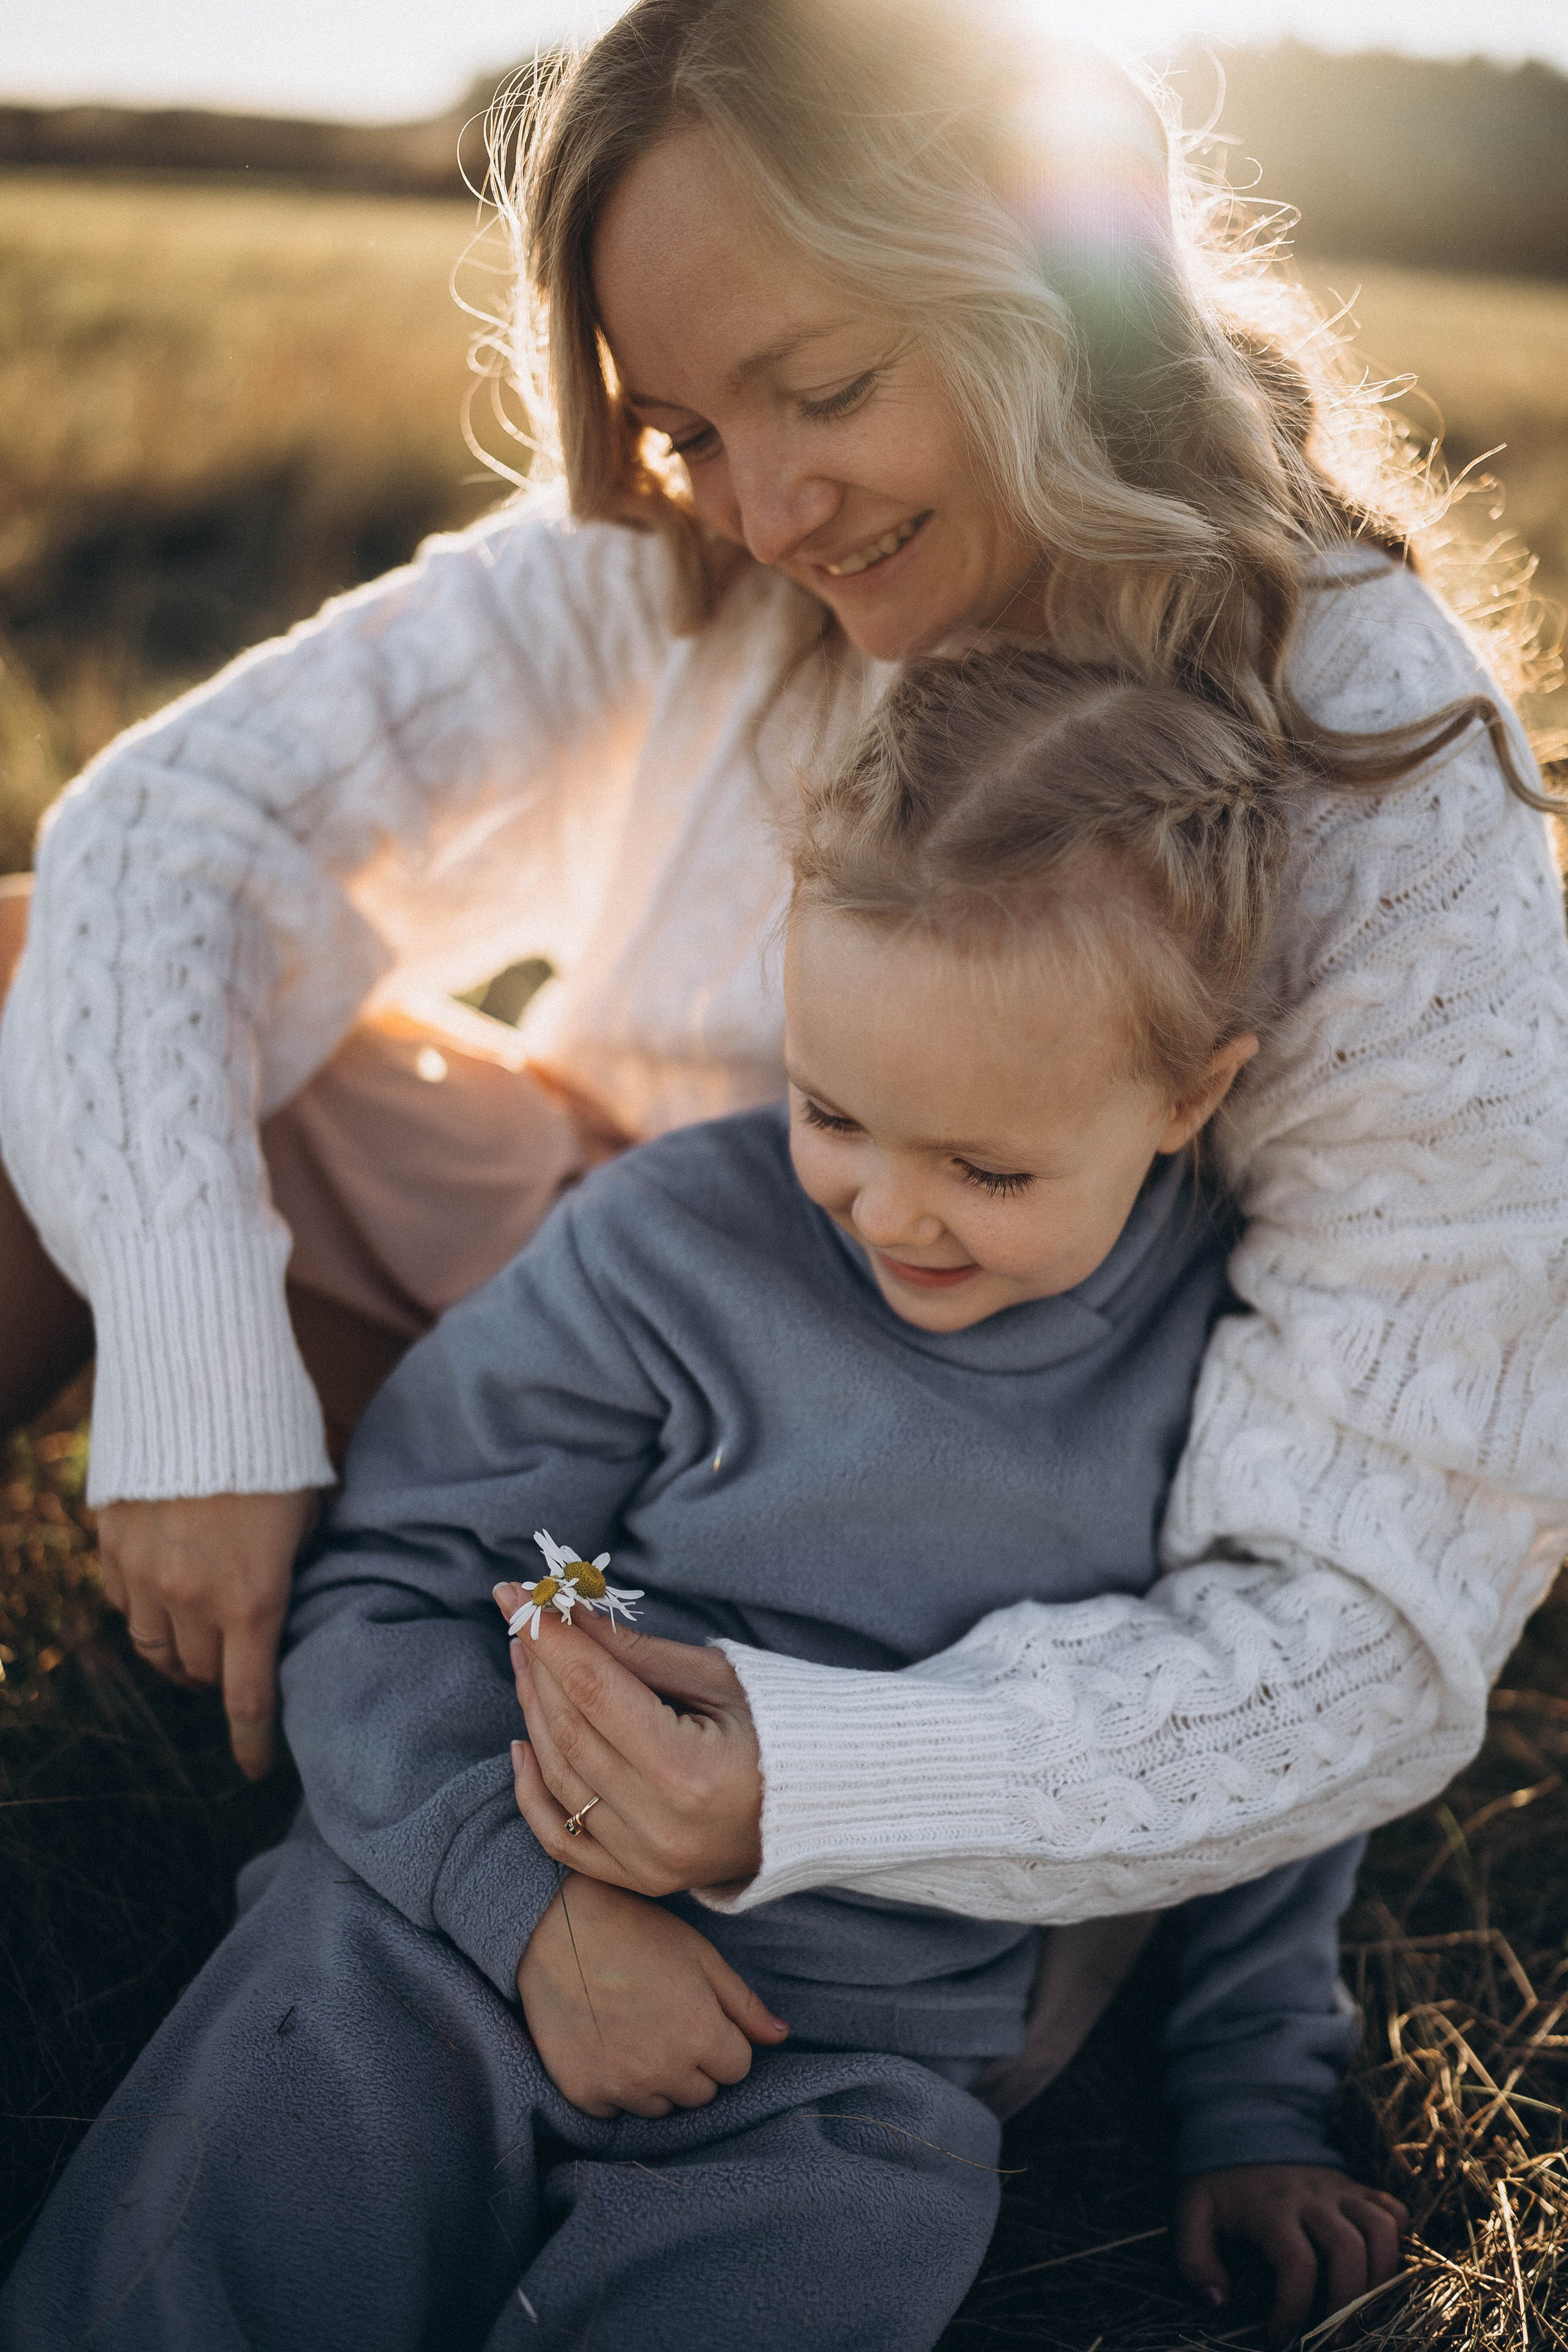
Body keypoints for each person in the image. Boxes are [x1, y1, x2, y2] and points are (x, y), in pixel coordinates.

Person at [0, 0, 1564, 1937]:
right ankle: (330, 1680)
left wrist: (822, 1778)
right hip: (586, 1307)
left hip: (945, 1502)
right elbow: (173, 832)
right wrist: (199, 1377)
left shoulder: (1368, 731)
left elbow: (1377, 1604)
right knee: (35, 967)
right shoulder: (702, 547)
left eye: (824, 387)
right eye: (689, 429)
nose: (760, 508)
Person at [2, 654, 1408, 2351]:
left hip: (849, 2074)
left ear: (1192, 1096)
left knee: (839, 2243)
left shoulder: (1239, 1381)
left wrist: (1254, 2106)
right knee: (229, 2223)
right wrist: (531, 1913)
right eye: (834, 1112)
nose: (890, 1212)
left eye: (988, 1168)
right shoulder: (666, 1249)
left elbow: (1270, 1744)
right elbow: (390, 1581)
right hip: (450, 1931)